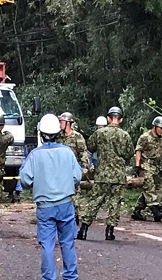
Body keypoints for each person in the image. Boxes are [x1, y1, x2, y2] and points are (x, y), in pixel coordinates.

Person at [20, 113, 81, 280]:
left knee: (47, 244)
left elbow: (25, 180)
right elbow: (77, 177)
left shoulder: (34, 154)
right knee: (67, 242)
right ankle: (70, 276)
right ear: (58, 132)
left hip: (45, 206)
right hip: (66, 204)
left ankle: (49, 277)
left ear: (40, 133)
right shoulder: (67, 152)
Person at [77, 106, 134, 241]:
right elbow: (129, 153)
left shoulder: (100, 133)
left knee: (95, 200)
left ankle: (83, 230)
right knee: (115, 202)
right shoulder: (125, 135)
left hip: (102, 174)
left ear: (108, 118)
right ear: (120, 120)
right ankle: (109, 231)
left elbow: (90, 147)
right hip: (119, 175)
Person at [131, 116, 162, 222]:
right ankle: (155, 210)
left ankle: (137, 210)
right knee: (150, 186)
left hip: (156, 167)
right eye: (160, 128)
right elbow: (138, 151)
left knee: (159, 187)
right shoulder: (145, 137)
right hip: (146, 166)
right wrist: (137, 165)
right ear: (155, 127)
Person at [57, 111, 88, 226]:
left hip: (72, 171)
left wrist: (85, 167)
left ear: (68, 123)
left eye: (62, 121)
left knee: (75, 197)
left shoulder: (77, 137)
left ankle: (76, 217)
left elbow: (83, 153)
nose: (60, 124)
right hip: (59, 171)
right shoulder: (57, 137)